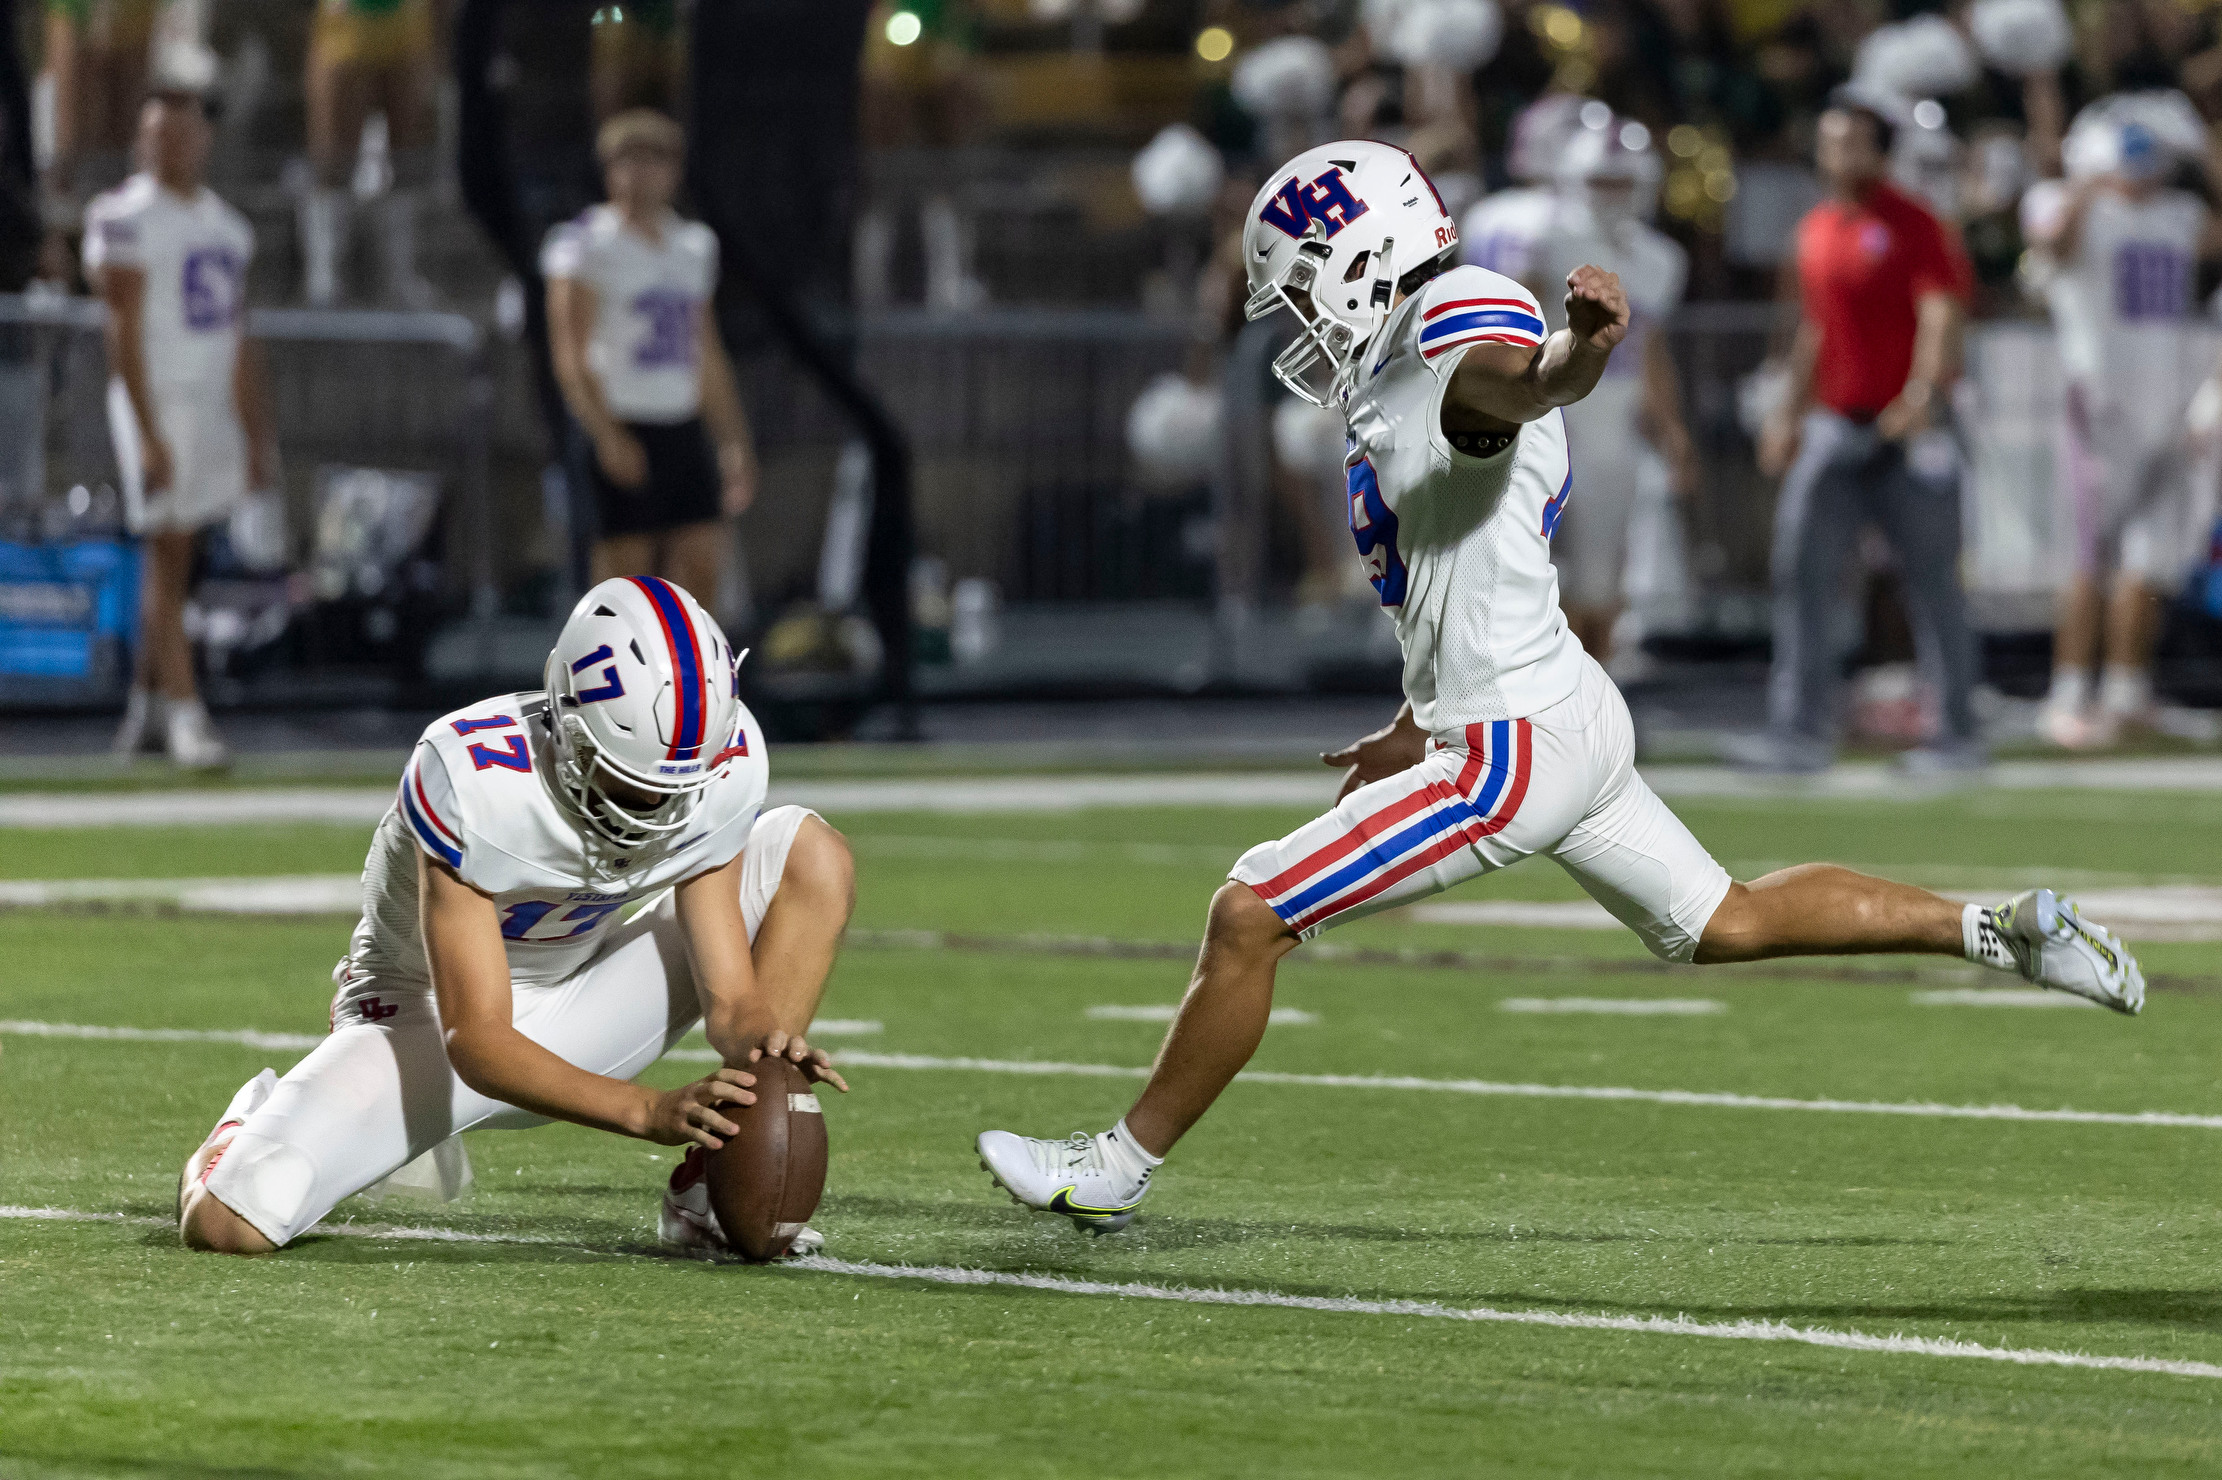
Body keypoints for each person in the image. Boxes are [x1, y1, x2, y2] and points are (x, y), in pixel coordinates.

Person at [973, 140, 2145, 1234]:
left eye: (1296, 288)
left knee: (1247, 911)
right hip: (1551, 707)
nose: (1288, 318)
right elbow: (1459, 552)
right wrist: (1407, 720)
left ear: (1358, 261)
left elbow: (1507, 388)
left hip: (1506, 748)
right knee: (1719, 919)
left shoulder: (1447, 318)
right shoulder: (1398, 352)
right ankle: (2000, 929)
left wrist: (1573, 354)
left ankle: (1112, 1167)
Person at [177, 576, 857, 1256]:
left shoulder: (715, 764)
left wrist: (768, 1044)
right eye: (631, 781)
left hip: (587, 990)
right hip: (430, 1021)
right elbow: (477, 1038)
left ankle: (710, 1192)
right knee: (232, 1219)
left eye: (677, 787)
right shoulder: (472, 779)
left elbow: (733, 1001)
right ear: (567, 720)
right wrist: (646, 1110)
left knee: (812, 857)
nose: (656, 810)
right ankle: (246, 1127)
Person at [1748, 95, 1983, 774]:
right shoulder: (1818, 228)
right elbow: (1814, 329)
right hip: (1835, 425)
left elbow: (1940, 313)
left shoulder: (1915, 222)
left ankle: (1958, 736)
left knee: (1934, 585)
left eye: (1852, 142)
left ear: (1879, 151)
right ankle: (1799, 732)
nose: (1839, 155)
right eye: (1830, 142)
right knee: (1804, 576)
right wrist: (1787, 413)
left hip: (1908, 429)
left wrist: (1922, 393)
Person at [85, 89, 276, 771]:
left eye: (181, 132)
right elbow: (122, 328)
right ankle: (187, 713)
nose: (170, 145)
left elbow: (239, 336)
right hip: (156, 399)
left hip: (209, 402)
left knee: (177, 557)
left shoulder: (226, 226)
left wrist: (256, 434)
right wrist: (146, 429)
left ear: (204, 139)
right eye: (157, 133)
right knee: (168, 548)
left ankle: (145, 705)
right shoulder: (124, 216)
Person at [2022, 99, 2217, 748]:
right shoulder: (2076, 206)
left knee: (2149, 558)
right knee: (2089, 554)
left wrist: (2202, 152)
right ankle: (2069, 692)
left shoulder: (2181, 214)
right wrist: (2086, 172)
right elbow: (2050, 242)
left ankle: (2127, 692)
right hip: (2100, 406)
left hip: (2168, 402)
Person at [544, 110, 758, 600]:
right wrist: (606, 434)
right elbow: (570, 355)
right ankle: (609, 676)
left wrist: (733, 438)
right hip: (622, 419)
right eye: (629, 160)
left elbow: (705, 350)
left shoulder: (693, 245)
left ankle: (688, 675)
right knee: (624, 581)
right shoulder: (584, 244)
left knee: (702, 566)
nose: (642, 174)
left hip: (679, 422)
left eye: (655, 160)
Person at [1523, 110, 1695, 663]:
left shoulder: (1658, 257)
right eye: (1601, 180)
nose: (1613, 193)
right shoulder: (1545, 235)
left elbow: (1649, 352)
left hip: (1611, 413)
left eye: (1623, 181)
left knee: (1602, 571)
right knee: (1530, 564)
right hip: (1544, 404)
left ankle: (1589, 687)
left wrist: (1672, 432)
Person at [298, 0, 440, 307]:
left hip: (405, 23)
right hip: (345, 26)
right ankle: (325, 274)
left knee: (406, 157)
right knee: (332, 157)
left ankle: (400, 274)